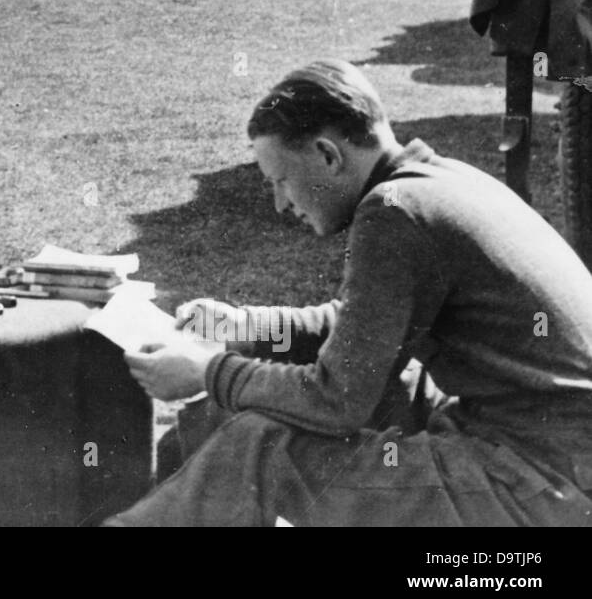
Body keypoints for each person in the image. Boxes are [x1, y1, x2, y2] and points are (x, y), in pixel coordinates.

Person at [108, 59, 592, 527]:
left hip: (540, 482)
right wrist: (247, 330)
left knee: (262, 446)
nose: (280, 203)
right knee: (274, 403)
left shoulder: (394, 210)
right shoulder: (435, 183)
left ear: (327, 155)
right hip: (546, 452)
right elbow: (362, 327)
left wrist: (208, 370)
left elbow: (337, 399)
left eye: (280, 180)